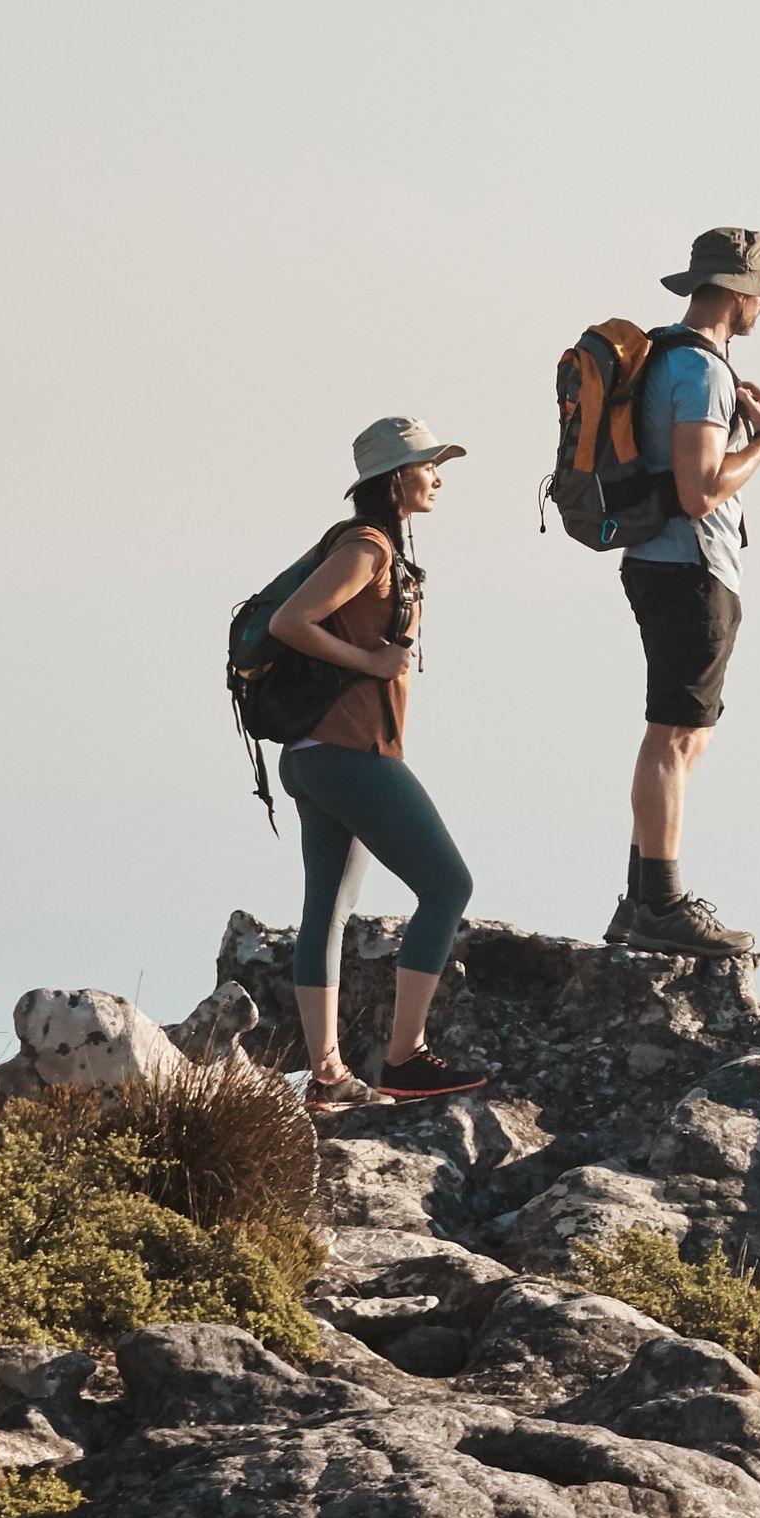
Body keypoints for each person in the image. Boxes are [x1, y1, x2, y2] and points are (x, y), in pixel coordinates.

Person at [261, 416, 493, 1107]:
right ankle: (405, 1057)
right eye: (427, 466)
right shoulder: (367, 547)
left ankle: (328, 1077)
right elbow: (289, 622)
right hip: (346, 752)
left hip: (319, 755)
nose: (438, 478)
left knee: (328, 910)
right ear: (395, 479)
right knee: (447, 886)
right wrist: (368, 662)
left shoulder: (375, 545)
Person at [612, 222, 760, 961]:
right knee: (674, 734)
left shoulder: (666, 358)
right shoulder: (703, 372)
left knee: (686, 734)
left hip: (661, 562)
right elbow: (700, 492)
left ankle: (640, 899)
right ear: (739, 292)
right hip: (689, 566)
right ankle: (661, 904)